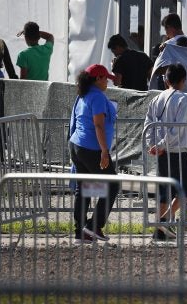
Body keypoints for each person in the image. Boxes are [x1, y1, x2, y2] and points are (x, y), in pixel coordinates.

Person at [68, 64, 120, 243]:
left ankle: (80, 231)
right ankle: (93, 226)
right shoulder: (97, 96)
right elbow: (98, 125)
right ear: (97, 79)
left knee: (84, 188)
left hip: (77, 145)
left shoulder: (83, 94)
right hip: (92, 148)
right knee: (113, 184)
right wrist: (104, 151)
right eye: (106, 78)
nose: (107, 82)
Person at [143, 63, 187, 241]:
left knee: (165, 191)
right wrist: (162, 144)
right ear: (183, 80)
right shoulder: (182, 99)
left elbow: (148, 122)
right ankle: (163, 222)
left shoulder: (156, 99)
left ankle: (160, 227)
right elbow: (178, 128)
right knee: (186, 192)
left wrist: (153, 143)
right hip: (177, 150)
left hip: (162, 152)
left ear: (166, 80)